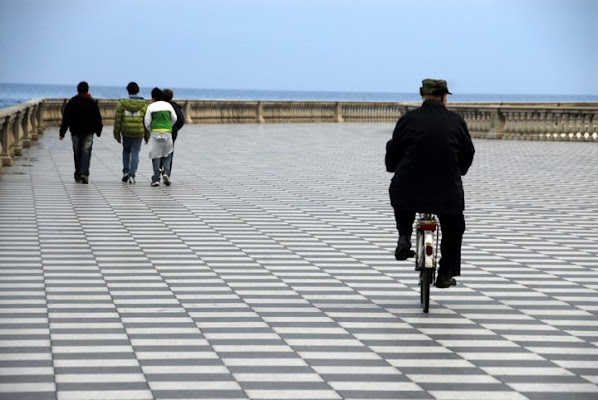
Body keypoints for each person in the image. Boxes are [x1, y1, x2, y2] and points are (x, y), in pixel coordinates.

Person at [385, 79, 475, 288]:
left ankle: (404, 236)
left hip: (409, 185)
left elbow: (393, 149)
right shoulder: (455, 120)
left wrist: (392, 167)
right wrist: (459, 171)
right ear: (444, 97)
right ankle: (445, 273)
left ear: (422, 96)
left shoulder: (408, 119)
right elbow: (468, 151)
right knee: (454, 227)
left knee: (401, 199)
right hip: (446, 190)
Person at [59, 81, 103, 184]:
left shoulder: (72, 102)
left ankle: (78, 173)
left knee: (77, 152)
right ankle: (84, 174)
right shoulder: (92, 102)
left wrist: (62, 132)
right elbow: (98, 118)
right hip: (88, 132)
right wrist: (98, 131)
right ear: (87, 90)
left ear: (78, 90)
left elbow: (66, 119)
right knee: (86, 152)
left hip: (75, 131)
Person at [113, 82, 149, 184]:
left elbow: (118, 120)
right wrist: (147, 136)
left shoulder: (122, 104)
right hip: (138, 132)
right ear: (138, 91)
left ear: (127, 90)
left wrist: (117, 134)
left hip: (126, 131)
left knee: (126, 151)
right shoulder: (143, 105)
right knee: (135, 153)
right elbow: (146, 121)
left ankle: (126, 172)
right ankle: (132, 175)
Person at [144, 87, 177, 187]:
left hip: (155, 133)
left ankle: (156, 178)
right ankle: (166, 173)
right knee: (167, 154)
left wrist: (151, 129)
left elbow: (147, 122)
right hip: (167, 132)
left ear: (153, 97)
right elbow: (174, 118)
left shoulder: (151, 107)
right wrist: (168, 126)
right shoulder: (168, 106)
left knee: (155, 155)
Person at [161, 88, 185, 174]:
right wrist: (175, 128)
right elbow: (181, 120)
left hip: (159, 131)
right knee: (169, 151)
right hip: (171, 133)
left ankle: (159, 169)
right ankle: (167, 172)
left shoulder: (158, 106)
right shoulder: (175, 107)